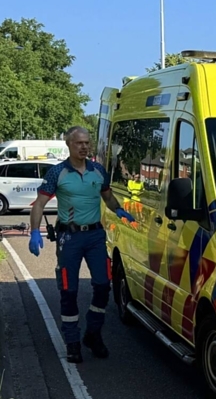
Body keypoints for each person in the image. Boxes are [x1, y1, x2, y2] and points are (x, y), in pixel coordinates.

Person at [28, 127, 136, 363]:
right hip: (70, 238)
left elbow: (107, 196)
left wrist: (118, 209)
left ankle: (93, 334)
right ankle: (72, 342)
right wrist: (35, 231)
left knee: (103, 285)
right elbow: (39, 204)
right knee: (69, 290)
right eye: (79, 143)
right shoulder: (57, 173)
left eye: (87, 142)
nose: (84, 147)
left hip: (95, 236)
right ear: (69, 144)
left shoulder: (98, 170)